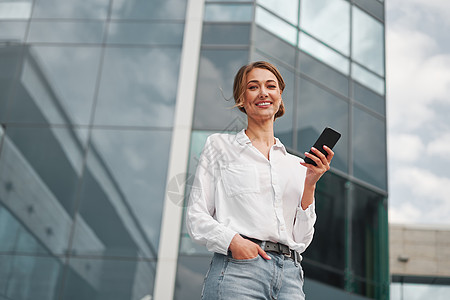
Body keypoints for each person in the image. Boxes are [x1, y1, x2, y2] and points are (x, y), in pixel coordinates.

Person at [186, 61, 334, 299]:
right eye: (253, 87)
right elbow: (196, 216)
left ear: (279, 97)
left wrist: (310, 184)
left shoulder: (297, 166)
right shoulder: (219, 146)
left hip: (290, 277)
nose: (263, 92)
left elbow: (302, 239)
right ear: (241, 99)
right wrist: (234, 242)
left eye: (271, 86)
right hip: (239, 272)